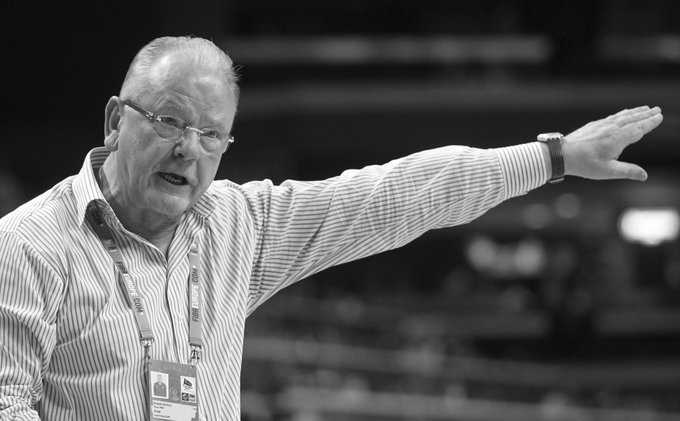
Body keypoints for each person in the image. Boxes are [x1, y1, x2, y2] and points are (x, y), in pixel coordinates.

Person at [0, 36, 663, 420]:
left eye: (211, 135)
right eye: (170, 121)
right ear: (115, 120)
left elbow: (396, 195)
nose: (188, 149)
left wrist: (552, 158)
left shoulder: (238, 226)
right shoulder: (28, 247)